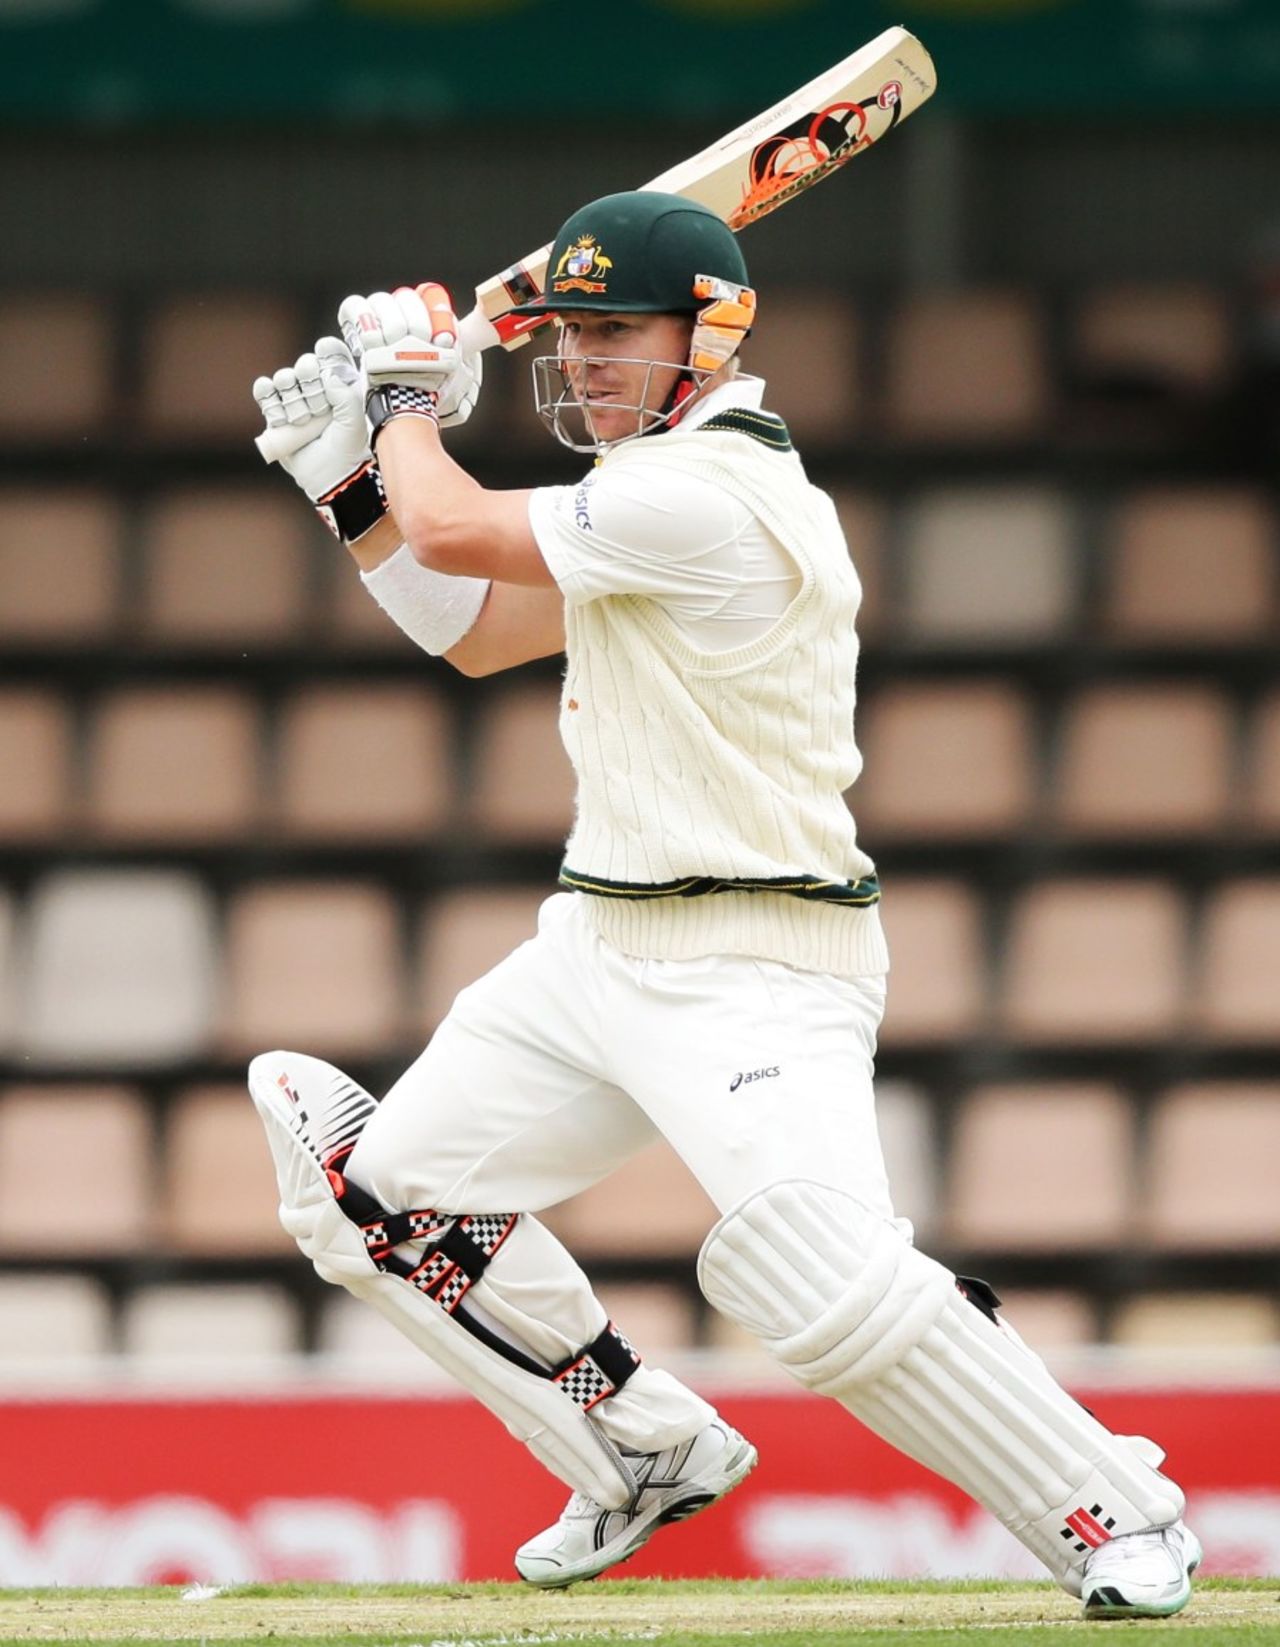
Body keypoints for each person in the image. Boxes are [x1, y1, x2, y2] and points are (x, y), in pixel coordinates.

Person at [249, 190, 1200, 1615]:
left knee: (811, 1272)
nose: (584, 364)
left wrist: (396, 407)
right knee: (374, 1202)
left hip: (756, 956)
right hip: (595, 943)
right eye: (570, 336)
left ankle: (1115, 1509)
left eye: (617, 334)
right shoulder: (637, 495)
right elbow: (478, 633)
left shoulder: (710, 492)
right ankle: (638, 1446)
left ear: (713, 334)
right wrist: (349, 473)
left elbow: (445, 529)